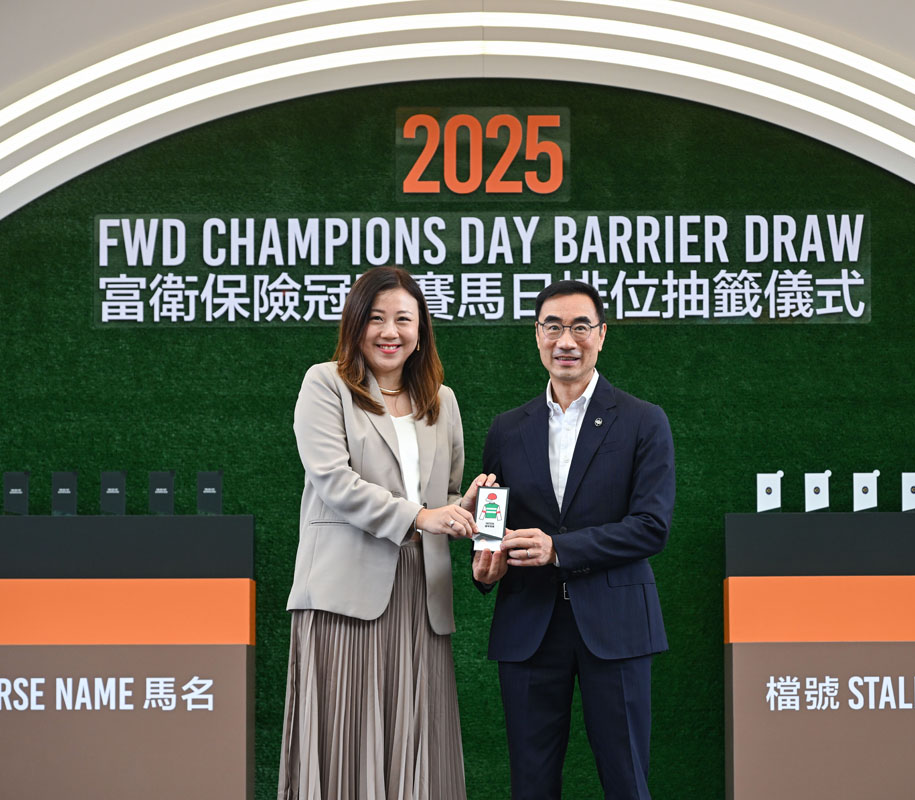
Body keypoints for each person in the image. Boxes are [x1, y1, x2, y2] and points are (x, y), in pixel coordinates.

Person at [279, 266, 492, 800]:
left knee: (420, 745)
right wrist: (422, 517)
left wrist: (460, 509)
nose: (389, 332)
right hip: (344, 597)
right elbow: (335, 482)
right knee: (345, 746)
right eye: (375, 318)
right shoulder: (324, 383)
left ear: (421, 331)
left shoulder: (442, 400)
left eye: (403, 319)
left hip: (421, 595)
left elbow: (441, 495)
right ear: (355, 325)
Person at [472, 279, 675, 800]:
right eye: (553, 327)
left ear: (601, 335)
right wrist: (484, 563)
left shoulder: (643, 420)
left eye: (580, 327)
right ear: (537, 336)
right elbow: (493, 517)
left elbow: (651, 526)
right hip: (528, 624)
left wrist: (559, 549)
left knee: (626, 780)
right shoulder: (506, 428)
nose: (567, 340)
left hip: (616, 624)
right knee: (531, 784)